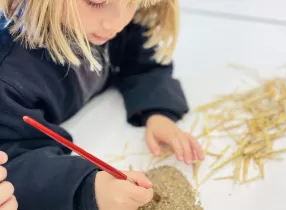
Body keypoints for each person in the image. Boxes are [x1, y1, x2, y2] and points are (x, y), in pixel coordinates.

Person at [0, 0, 205, 209]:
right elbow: (13, 163)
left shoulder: (105, 22)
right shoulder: (7, 75)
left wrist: (157, 111)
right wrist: (87, 188)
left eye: (132, 3)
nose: (117, 24)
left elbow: (140, 58)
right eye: (96, 2)